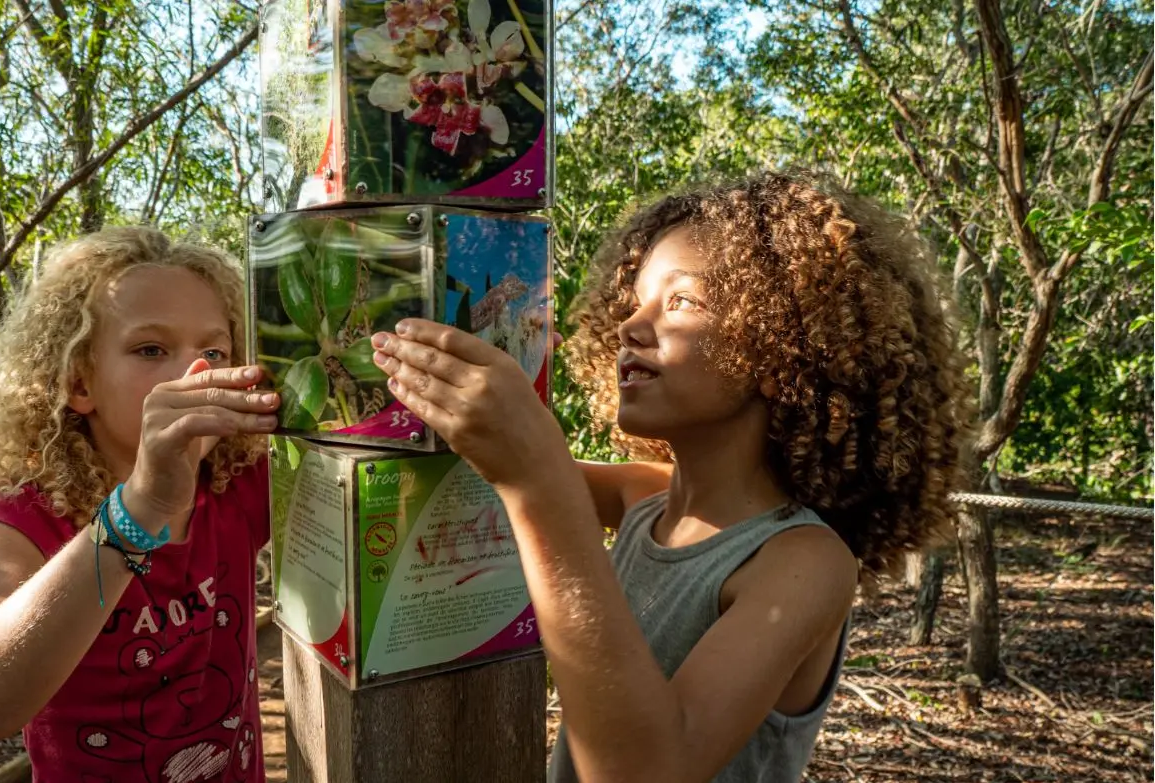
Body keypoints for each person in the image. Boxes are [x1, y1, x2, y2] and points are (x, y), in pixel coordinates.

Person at [368, 172, 973, 782]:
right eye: (636, 299)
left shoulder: (805, 563)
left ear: (780, 346)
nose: (632, 325)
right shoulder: (645, 497)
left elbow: (651, 770)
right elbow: (488, 458)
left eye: (681, 301)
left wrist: (536, 479)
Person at [0, 226, 280, 782]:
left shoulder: (237, 487)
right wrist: (141, 506)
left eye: (214, 351)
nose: (193, 374)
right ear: (80, 382)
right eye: (151, 349)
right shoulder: (18, 527)